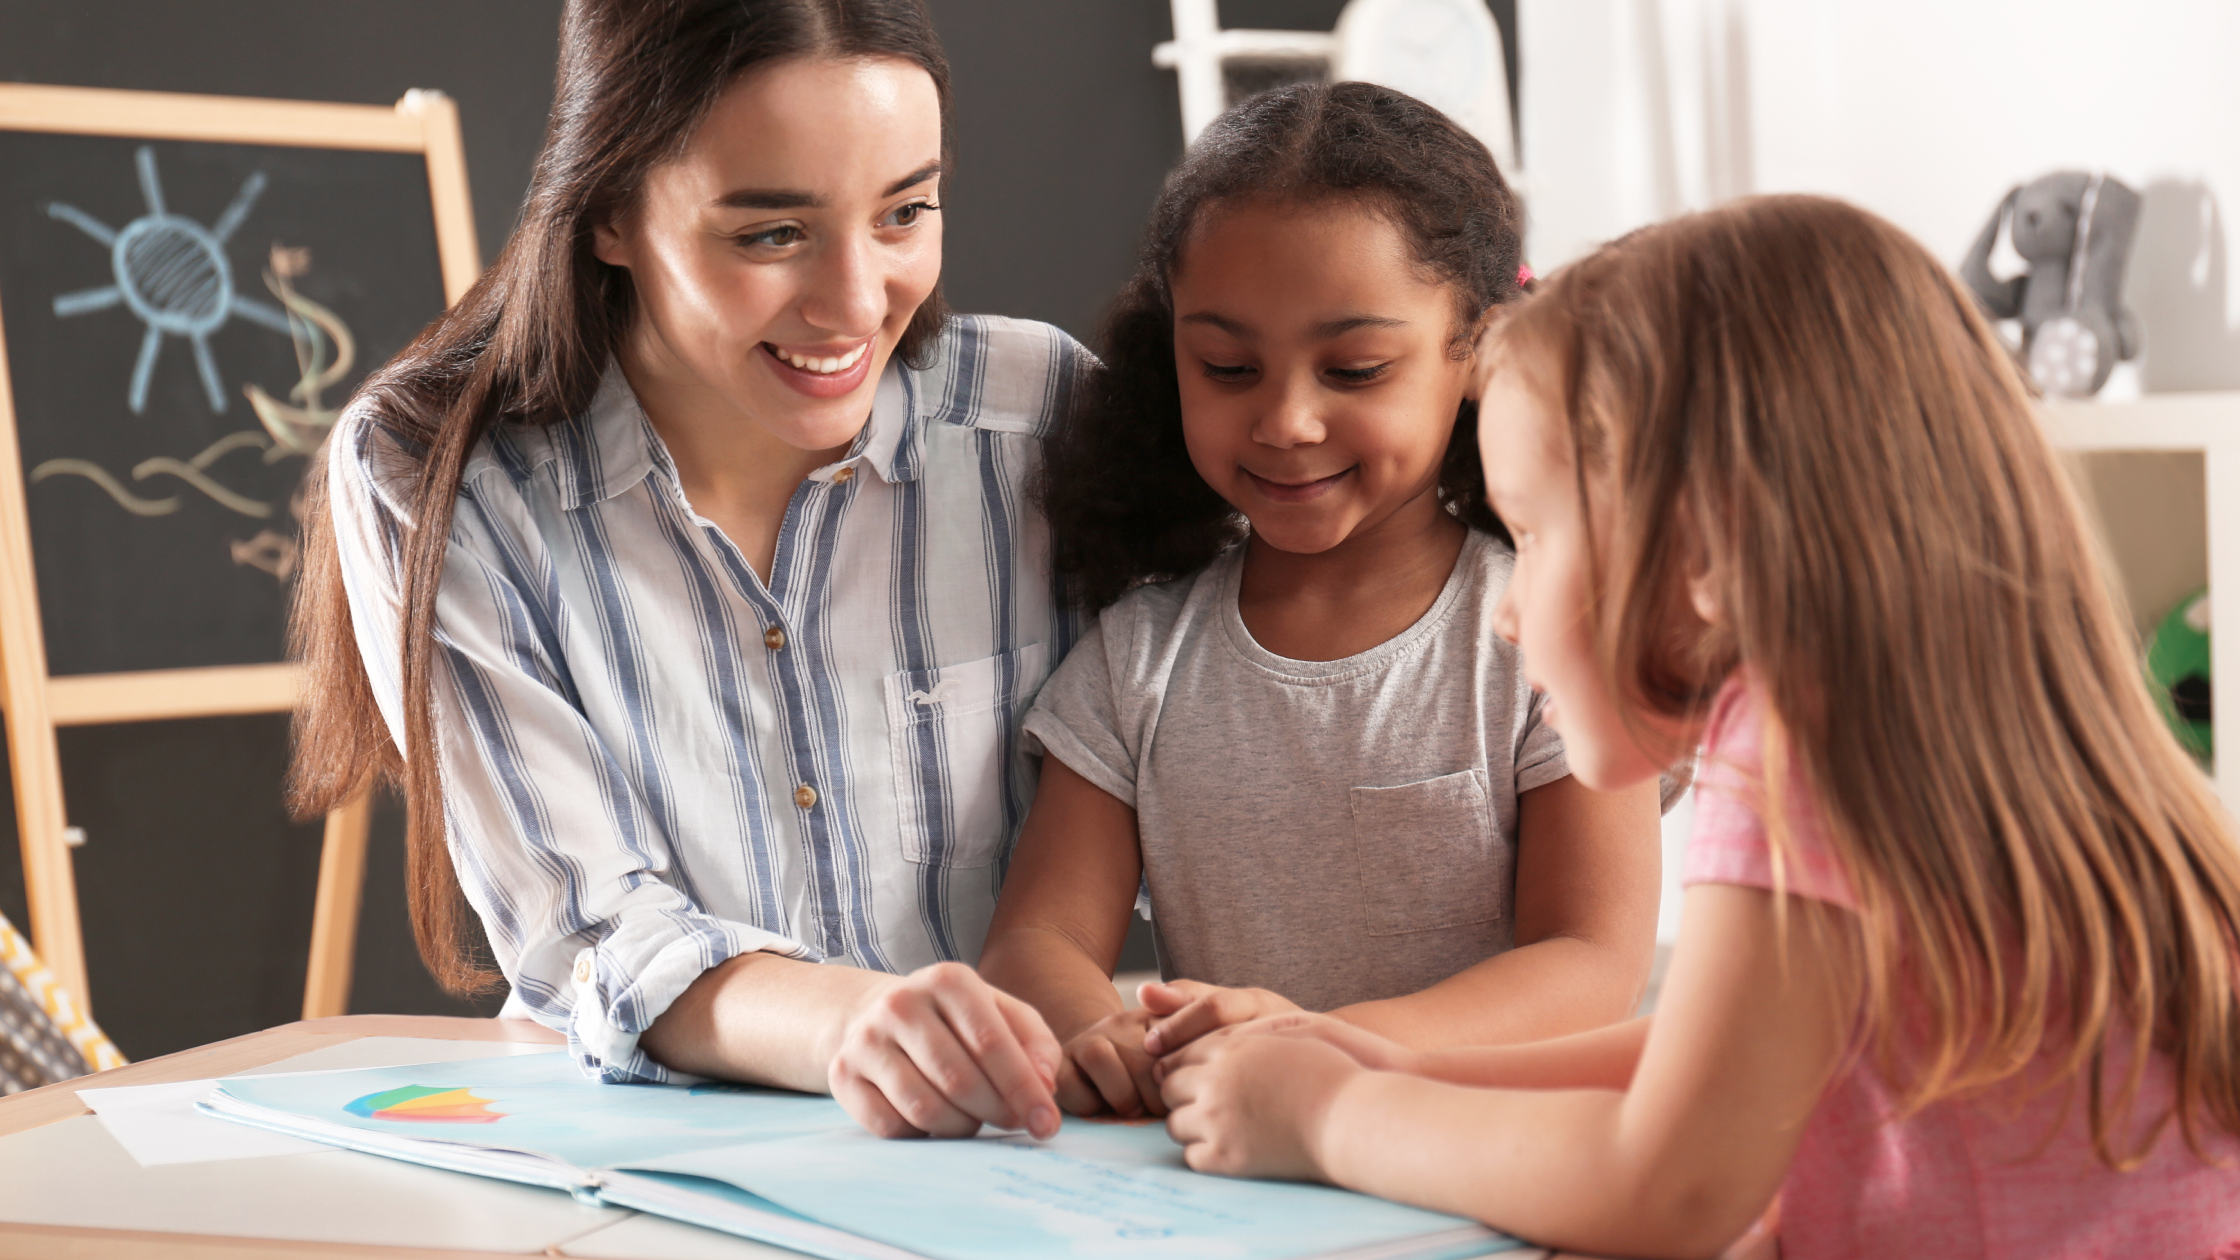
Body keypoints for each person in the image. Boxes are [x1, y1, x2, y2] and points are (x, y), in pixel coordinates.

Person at [1153, 195, 2240, 1257]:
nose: (1506, 608)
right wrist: (1379, 1066)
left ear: (1710, 554)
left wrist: (1331, 1121)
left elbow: (1665, 1185)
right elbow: (1717, 1062)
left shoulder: (1792, 745)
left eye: (1529, 535)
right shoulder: (1999, 747)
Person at [290, 0, 1082, 1142]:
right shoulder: (433, 474)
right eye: (771, 235)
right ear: (609, 213)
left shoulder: (1042, 416)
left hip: (1003, 1170)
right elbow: (588, 925)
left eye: (905, 213)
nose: (857, 303)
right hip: (630, 1172)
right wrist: (849, 1023)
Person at [976, 82, 1663, 1122]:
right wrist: (1098, 1032)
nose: (1287, 420)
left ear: (1473, 347)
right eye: (1227, 366)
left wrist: (1318, 1048)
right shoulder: (1139, 661)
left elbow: (1589, 962)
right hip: (1248, 1172)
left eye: (1353, 368)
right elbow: (1037, 939)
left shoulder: (1542, 635)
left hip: (1495, 1160)